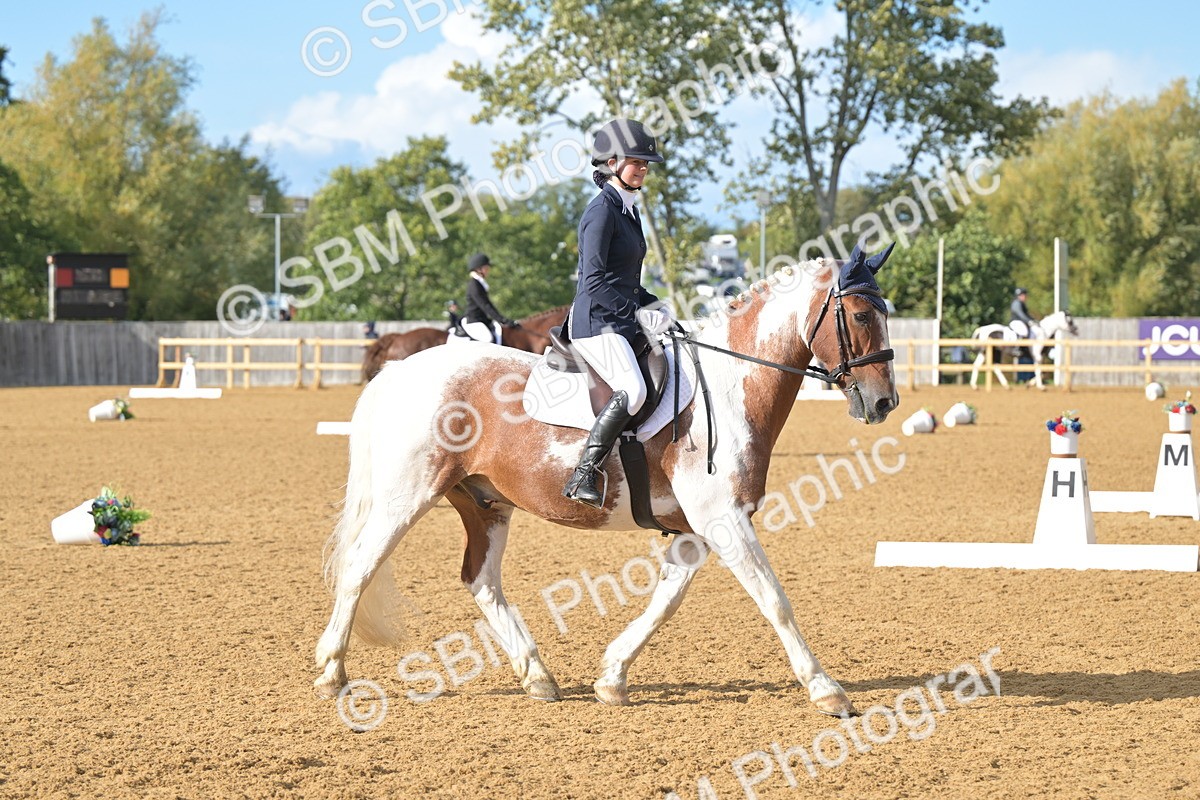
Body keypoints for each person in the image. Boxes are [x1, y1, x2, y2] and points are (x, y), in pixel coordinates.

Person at [561, 118, 674, 508]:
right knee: (635, 389)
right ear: (611, 162)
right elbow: (593, 281)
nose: (643, 168)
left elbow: (626, 280)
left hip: (619, 320)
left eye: (646, 163)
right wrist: (636, 313)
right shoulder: (601, 213)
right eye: (636, 161)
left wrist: (655, 305)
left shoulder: (629, 211)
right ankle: (584, 472)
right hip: (595, 323)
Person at [462, 253, 516, 344]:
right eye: (486, 268)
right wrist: (502, 320)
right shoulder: (474, 285)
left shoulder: (480, 284)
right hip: (474, 321)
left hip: (483, 320)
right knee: (488, 339)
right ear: (478, 269)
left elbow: (488, 304)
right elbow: (485, 305)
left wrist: (502, 319)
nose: (488, 271)